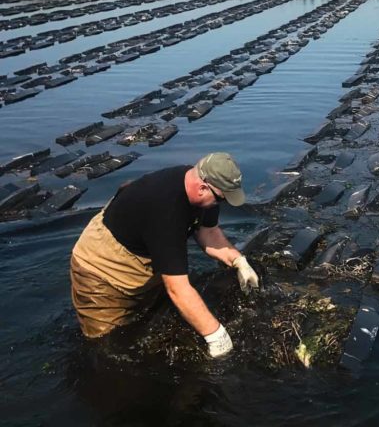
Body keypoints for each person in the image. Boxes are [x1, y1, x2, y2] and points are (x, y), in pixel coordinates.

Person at [70, 152, 260, 358]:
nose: (219, 204)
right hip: (101, 274)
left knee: (150, 322)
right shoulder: (165, 210)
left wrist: (238, 260)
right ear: (203, 187)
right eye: (220, 199)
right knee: (108, 350)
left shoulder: (202, 191)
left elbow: (208, 232)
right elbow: (177, 289)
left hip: (142, 261)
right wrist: (216, 335)